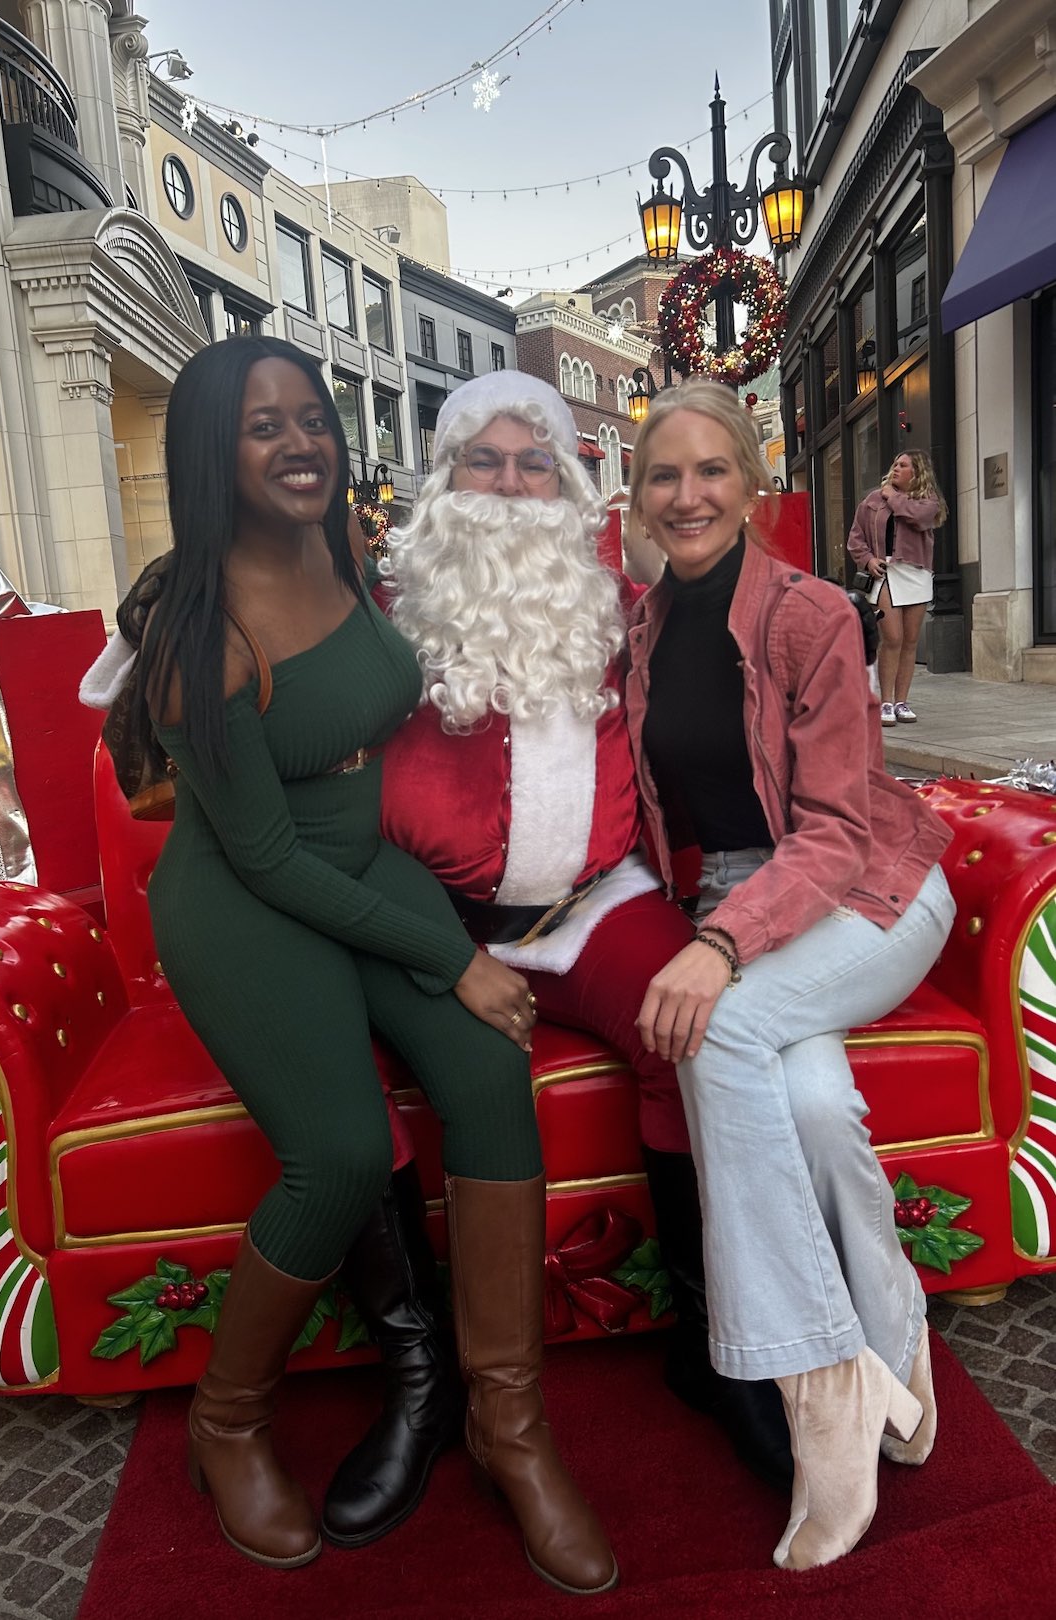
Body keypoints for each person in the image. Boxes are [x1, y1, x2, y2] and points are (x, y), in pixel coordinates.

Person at [130, 335, 616, 1595]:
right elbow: (272, 861)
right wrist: (448, 959)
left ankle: (510, 1430)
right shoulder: (198, 629)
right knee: (340, 1153)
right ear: (209, 454)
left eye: (310, 419)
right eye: (261, 427)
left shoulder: (343, 551)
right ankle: (226, 1420)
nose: (298, 444)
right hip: (252, 898)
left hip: (363, 858)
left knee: (489, 1076)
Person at [340, 369, 790, 1542]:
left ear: (569, 483)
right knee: (345, 1076)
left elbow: (745, 601)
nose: (506, 486)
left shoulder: (613, 593)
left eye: (531, 463)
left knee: (688, 1033)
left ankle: (713, 1343)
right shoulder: (384, 613)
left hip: (593, 903)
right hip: (434, 922)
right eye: (481, 463)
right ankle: (424, 1375)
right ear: (441, 483)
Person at [623, 378, 956, 1571]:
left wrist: (715, 949)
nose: (687, 493)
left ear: (753, 487)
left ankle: (820, 1394)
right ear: (637, 496)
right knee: (809, 1103)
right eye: (663, 474)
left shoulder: (813, 615)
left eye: (711, 470)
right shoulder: (641, 630)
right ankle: (891, 1336)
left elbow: (826, 834)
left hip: (869, 887)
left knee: (712, 1034)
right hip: (746, 905)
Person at [846, 450, 947, 727]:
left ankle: (902, 702)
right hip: (885, 574)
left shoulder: (927, 501)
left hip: (916, 573)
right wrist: (868, 560)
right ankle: (886, 702)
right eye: (895, 463)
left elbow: (919, 518)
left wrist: (893, 495)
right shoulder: (872, 501)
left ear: (917, 472)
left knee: (911, 640)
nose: (896, 468)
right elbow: (855, 539)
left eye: (903, 465)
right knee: (892, 638)